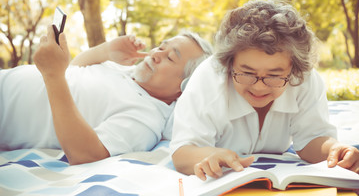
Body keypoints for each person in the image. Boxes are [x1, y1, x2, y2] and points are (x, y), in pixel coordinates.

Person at [170, 0, 359, 181]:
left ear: (293, 69)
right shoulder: (208, 78)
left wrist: (336, 150)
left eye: (274, 75)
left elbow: (311, 140)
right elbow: (182, 152)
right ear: (230, 64)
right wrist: (211, 155)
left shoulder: (304, 79)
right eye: (246, 72)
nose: (259, 87)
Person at [0, 25, 213, 165]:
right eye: (160, 47)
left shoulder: (146, 118)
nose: (156, 54)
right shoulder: (125, 71)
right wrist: (107, 51)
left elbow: (86, 154)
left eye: (170, 58)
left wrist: (53, 76)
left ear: (184, 86)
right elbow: (75, 71)